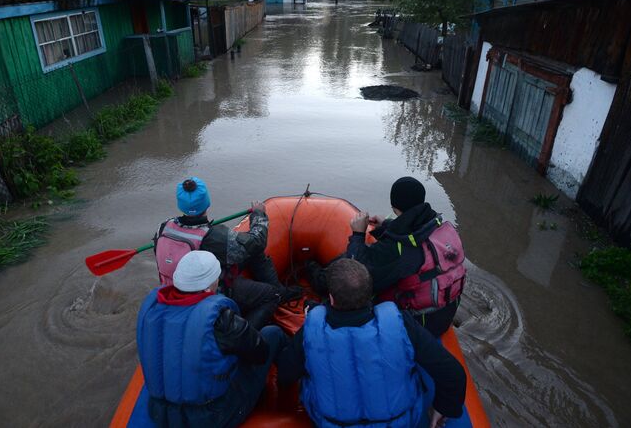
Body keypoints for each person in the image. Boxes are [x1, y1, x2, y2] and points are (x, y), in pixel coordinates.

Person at [278, 259, 467, 428]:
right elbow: (454, 373)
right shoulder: (401, 323)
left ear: (332, 298)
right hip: (402, 422)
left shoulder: (311, 330)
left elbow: (286, 374)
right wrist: (444, 408)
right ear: (370, 295)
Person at [137, 250, 287, 428]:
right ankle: (287, 393)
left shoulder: (152, 310)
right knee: (272, 333)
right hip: (212, 417)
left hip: (160, 412)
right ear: (210, 284)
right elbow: (260, 353)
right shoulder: (222, 321)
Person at [309, 176, 466, 337]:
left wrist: (358, 234)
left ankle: (313, 275)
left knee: (343, 275)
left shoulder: (397, 250)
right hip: (445, 311)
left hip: (418, 324)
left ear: (394, 208)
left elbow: (356, 276)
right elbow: (414, 238)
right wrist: (386, 226)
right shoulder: (437, 225)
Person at [154, 177, 299, 329]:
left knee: (252, 253)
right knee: (271, 295)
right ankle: (245, 333)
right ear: (206, 203)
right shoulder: (214, 237)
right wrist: (258, 215)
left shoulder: (163, 227)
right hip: (206, 294)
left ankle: (278, 289)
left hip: (171, 288)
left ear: (180, 204)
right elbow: (257, 241)